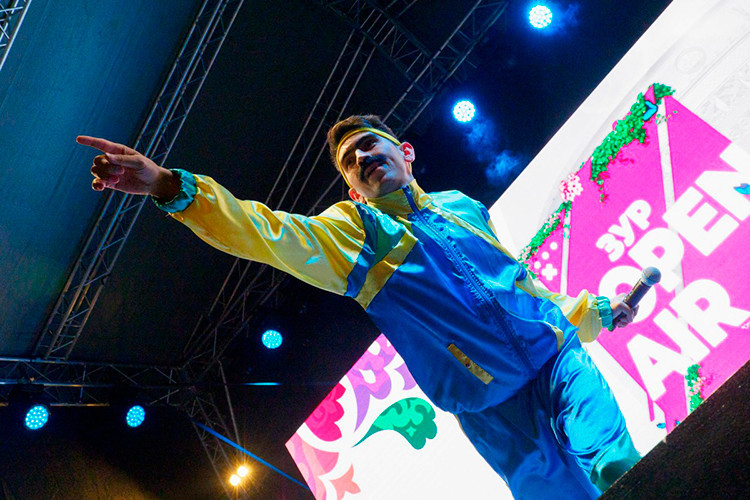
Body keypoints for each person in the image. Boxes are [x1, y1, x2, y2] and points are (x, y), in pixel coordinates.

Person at [78, 114, 640, 499]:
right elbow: (263, 232)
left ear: (405, 152)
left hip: (558, 359)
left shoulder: (463, 207)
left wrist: (596, 313)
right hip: (491, 410)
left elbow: (523, 288)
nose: (364, 156)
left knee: (616, 465)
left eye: (371, 144)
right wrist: (168, 186)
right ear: (352, 189)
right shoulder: (357, 233)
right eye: (351, 160)